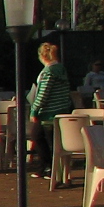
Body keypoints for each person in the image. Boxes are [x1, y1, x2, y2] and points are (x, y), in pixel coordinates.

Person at [28, 42, 72, 177]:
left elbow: (43, 93)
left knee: (38, 136)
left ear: (42, 56)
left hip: (48, 113)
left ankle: (49, 167)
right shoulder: (61, 69)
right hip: (61, 109)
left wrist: (34, 110)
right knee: (50, 139)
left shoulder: (48, 72)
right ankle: (48, 167)